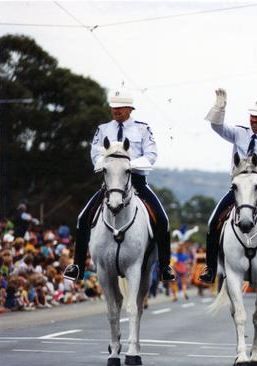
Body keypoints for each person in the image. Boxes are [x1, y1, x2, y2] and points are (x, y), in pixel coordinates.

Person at [63, 88, 176, 282]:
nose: (115, 110)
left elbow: (151, 155)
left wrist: (129, 165)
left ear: (130, 108)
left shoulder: (142, 128)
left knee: (162, 220)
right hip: (110, 182)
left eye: (120, 107)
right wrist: (107, 166)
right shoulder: (103, 129)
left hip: (136, 181)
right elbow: (96, 153)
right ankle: (78, 266)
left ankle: (165, 267)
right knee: (83, 219)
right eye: (113, 107)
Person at [198, 89, 257, 286]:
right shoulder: (239, 133)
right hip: (238, 190)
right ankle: (210, 268)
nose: (254, 120)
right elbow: (217, 127)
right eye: (252, 116)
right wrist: (219, 108)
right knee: (213, 222)